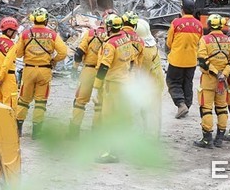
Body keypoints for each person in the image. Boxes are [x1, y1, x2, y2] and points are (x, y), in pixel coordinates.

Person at [0, 7, 68, 139]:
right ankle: (36, 132)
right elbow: (63, 52)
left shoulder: (25, 34)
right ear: (46, 20)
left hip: (29, 70)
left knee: (24, 101)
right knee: (40, 102)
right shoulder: (52, 34)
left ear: (33, 20)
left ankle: (18, 129)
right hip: (45, 70)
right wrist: (53, 60)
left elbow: (18, 53)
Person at [92, 14, 137, 163]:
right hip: (124, 82)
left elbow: (104, 67)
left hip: (113, 84)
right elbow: (132, 61)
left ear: (109, 27)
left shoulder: (110, 44)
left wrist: (96, 86)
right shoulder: (125, 39)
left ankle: (109, 152)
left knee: (108, 118)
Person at [194, 13, 230, 148]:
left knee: (206, 109)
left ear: (209, 25)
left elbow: (202, 61)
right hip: (223, 82)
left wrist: (216, 72)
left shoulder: (205, 40)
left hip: (208, 80)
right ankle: (219, 138)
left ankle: (207, 139)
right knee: (222, 108)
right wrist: (223, 74)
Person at [68, 19, 106, 139]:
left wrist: (74, 68)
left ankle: (73, 132)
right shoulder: (114, 37)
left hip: (88, 71)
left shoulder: (90, 33)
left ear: (101, 22)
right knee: (100, 103)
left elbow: (79, 53)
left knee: (80, 101)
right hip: (104, 73)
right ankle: (96, 134)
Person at [165, 0, 203, 119]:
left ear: (182, 10)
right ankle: (187, 104)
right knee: (187, 83)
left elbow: (169, 42)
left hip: (177, 60)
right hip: (191, 61)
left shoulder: (176, 23)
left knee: (173, 82)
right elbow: (200, 43)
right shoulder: (199, 25)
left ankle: (181, 104)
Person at [135, 18, 165, 138]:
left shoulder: (145, 51)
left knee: (149, 109)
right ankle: (153, 134)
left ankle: (150, 136)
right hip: (156, 82)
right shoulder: (152, 46)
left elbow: (142, 73)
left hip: (150, 84)